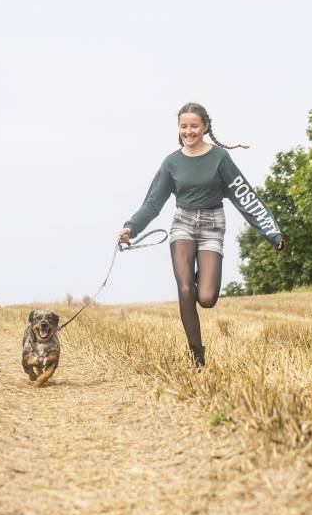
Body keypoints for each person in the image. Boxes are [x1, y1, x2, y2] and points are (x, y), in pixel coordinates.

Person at [119, 103, 284, 367]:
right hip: (182, 223)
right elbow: (152, 203)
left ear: (205, 126)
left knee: (206, 298)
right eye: (184, 126)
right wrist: (132, 227)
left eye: (194, 126)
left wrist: (272, 233)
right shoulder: (171, 162)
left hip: (212, 225)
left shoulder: (220, 159)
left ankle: (201, 279)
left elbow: (246, 198)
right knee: (185, 289)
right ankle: (197, 354)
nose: (188, 131)